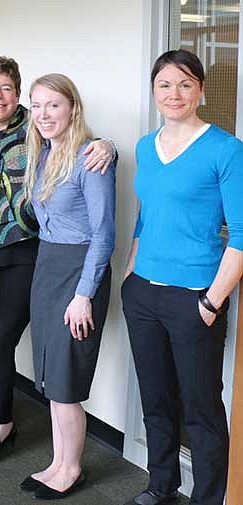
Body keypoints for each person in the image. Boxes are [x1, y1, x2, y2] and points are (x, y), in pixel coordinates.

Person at [0, 57, 115, 473]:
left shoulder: (40, 131)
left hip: (29, 254)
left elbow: (100, 220)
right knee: (6, 347)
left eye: (7, 87)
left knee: (5, 344)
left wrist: (108, 146)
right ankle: (8, 423)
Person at [121, 49, 243, 505]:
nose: (175, 94)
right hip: (143, 295)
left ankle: (209, 499)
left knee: (202, 409)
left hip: (194, 297)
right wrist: (131, 276)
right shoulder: (143, 147)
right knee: (156, 399)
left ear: (202, 92)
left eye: (185, 84)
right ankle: (161, 484)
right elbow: (144, 217)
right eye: (165, 85)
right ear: (154, 92)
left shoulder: (226, 150)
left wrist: (211, 302)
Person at [19, 73, 116, 500]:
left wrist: (83, 293)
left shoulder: (90, 159)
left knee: (66, 379)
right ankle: (58, 461)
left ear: (72, 108)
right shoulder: (43, 155)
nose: (43, 114)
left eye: (53, 105)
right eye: (36, 105)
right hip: (48, 267)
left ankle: (71, 469)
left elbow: (104, 233)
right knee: (51, 376)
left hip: (79, 273)